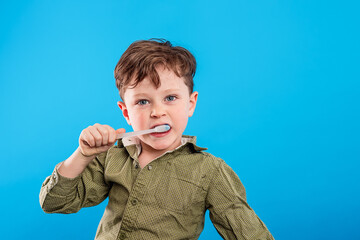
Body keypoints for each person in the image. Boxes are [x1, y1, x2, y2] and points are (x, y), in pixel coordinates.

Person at [39, 39, 274, 240]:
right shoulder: (111, 155)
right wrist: (82, 154)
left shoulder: (210, 171)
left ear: (190, 104)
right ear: (126, 113)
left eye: (170, 97)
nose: (157, 112)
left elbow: (248, 233)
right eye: (143, 102)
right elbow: (54, 202)